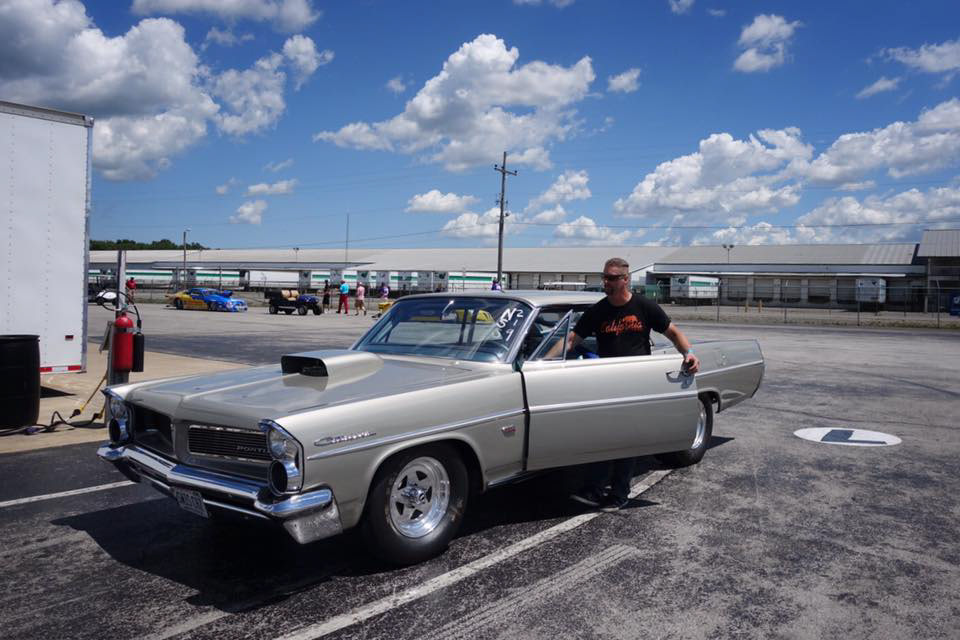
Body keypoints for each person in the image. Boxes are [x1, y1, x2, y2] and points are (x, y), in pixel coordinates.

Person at [556, 257, 700, 512]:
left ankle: (619, 493)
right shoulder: (598, 311)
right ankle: (595, 489)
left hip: (637, 382)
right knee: (604, 436)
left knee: (627, 438)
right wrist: (543, 360)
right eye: (604, 277)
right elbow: (571, 340)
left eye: (612, 278)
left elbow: (673, 332)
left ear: (625, 279)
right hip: (606, 380)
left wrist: (688, 353)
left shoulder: (644, 307)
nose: (606, 282)